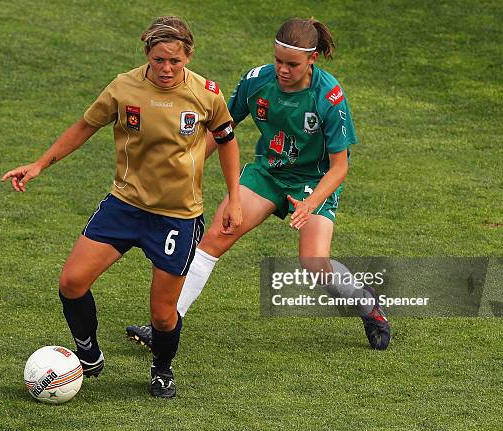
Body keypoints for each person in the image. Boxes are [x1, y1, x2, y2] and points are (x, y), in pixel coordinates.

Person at [1, 16, 242, 398]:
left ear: (188, 57)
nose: (166, 68)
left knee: (163, 314)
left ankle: (162, 368)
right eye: (159, 59)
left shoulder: (206, 94)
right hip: (124, 206)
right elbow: (84, 126)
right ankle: (88, 354)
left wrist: (235, 196)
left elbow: (226, 140)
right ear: (147, 52)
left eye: (174, 61)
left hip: (176, 218)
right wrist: (39, 164)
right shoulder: (123, 87)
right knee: (71, 283)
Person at [126, 17, 391, 352]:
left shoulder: (329, 96)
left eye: (292, 64)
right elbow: (222, 127)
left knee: (313, 264)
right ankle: (165, 326)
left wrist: (311, 203)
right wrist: (188, 168)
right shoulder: (257, 81)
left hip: (314, 181)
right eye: (278, 60)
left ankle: (366, 303)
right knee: (214, 239)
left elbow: (339, 167)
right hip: (268, 174)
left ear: (312, 60)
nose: (282, 69)